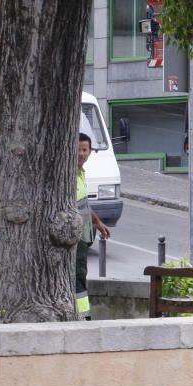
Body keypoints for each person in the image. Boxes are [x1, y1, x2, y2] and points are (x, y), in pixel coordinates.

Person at [77, 132, 110, 320]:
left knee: (80, 273)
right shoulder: (66, 173)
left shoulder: (82, 173)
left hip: (82, 234)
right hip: (75, 236)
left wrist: (98, 223)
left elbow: (84, 204)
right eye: (78, 149)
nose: (82, 153)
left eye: (85, 150)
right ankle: (84, 317)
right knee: (78, 275)